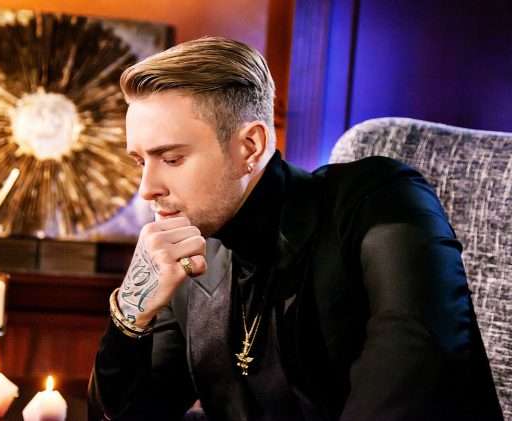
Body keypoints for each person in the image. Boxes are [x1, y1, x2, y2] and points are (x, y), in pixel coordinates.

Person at [87, 37, 503, 421]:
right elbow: (128, 415)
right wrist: (131, 310)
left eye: (172, 159)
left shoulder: (381, 200)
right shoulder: (190, 255)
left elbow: (413, 377)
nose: (147, 188)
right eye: (140, 162)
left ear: (249, 146)